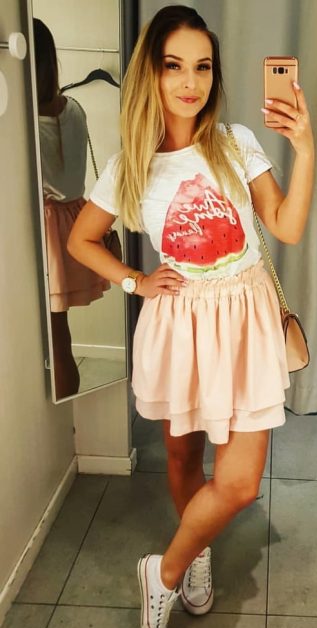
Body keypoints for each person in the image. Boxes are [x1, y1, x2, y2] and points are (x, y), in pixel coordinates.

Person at [67, 5, 314, 628]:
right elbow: (81, 240)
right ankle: (195, 555)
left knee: (238, 482)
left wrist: (305, 148)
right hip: (180, 324)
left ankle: (164, 571)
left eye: (202, 67)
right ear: (151, 74)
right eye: (174, 65)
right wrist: (135, 280)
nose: (190, 81)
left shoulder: (236, 142)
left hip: (246, 320)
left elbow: (285, 227)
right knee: (182, 455)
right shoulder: (131, 165)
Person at [34, 18, 110, 399]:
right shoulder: (75, 108)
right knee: (58, 335)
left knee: (50, 335)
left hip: (44, 229)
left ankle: (58, 413)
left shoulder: (24, 124)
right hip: (74, 220)